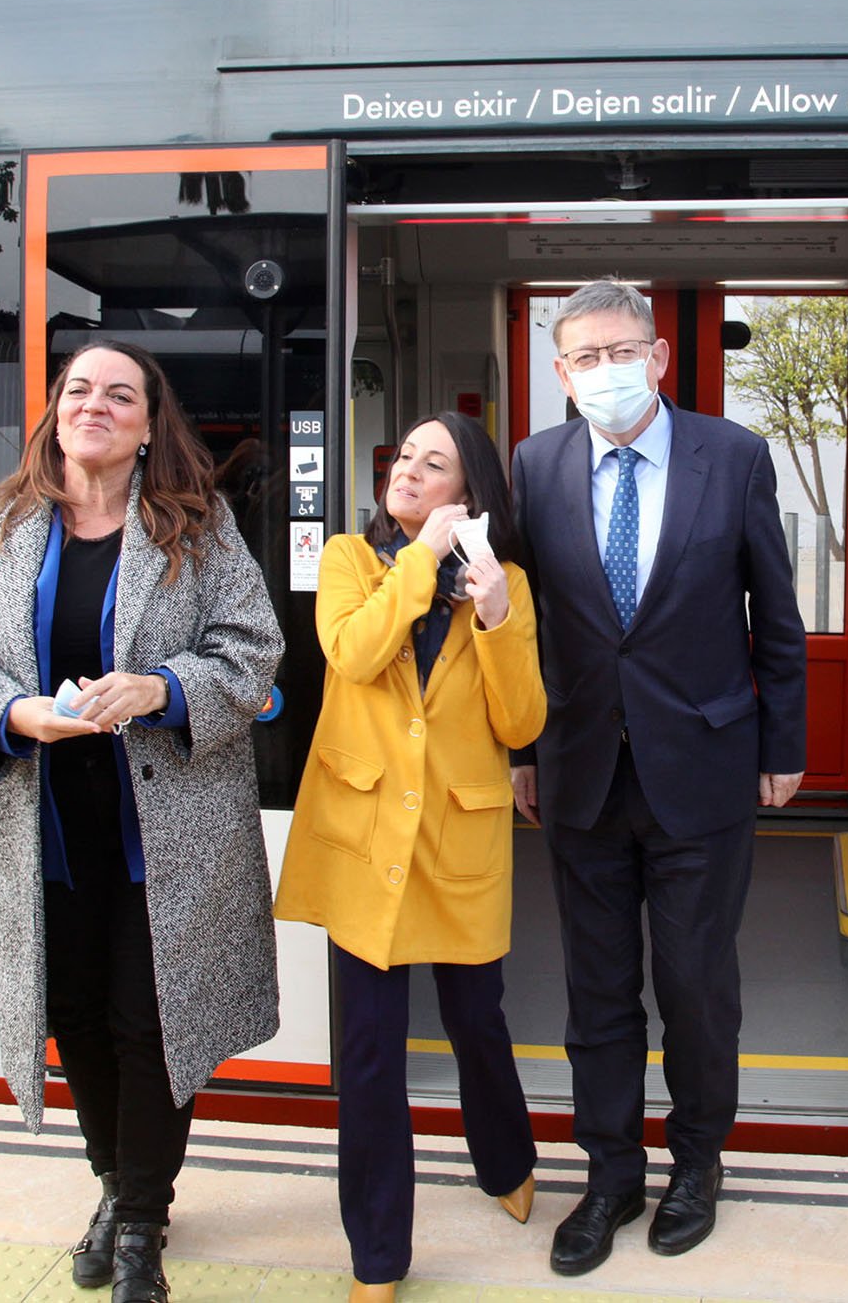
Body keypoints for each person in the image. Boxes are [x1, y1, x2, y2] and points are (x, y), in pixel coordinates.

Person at [0, 340, 284, 1303]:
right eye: (81, 390)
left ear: (151, 424)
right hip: (48, 833)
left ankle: (144, 1226)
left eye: (122, 395)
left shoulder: (198, 526)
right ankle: (114, 1191)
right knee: (71, 1015)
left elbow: (253, 653)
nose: (97, 406)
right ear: (55, 411)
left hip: (168, 836)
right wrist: (12, 713)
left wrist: (161, 686)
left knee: (150, 1023)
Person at [508, 279, 808, 1276]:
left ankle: (694, 1165)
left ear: (658, 356)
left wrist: (781, 745)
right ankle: (607, 1174)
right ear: (560, 372)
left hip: (705, 768)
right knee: (595, 992)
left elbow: (775, 610)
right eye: (584, 358)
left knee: (694, 985)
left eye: (620, 351)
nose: (605, 371)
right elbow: (513, 623)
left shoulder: (734, 456)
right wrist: (518, 751)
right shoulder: (534, 464)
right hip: (579, 770)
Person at [275, 412, 545, 1303]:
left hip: (457, 837)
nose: (409, 474)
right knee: (368, 1054)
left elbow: (522, 725)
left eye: (435, 465)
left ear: (470, 496)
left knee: (478, 1022)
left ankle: (505, 1159)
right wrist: (421, 560)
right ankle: (377, 1254)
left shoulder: (503, 587)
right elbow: (352, 653)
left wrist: (498, 612)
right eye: (404, 460)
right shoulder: (355, 561)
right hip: (364, 841)